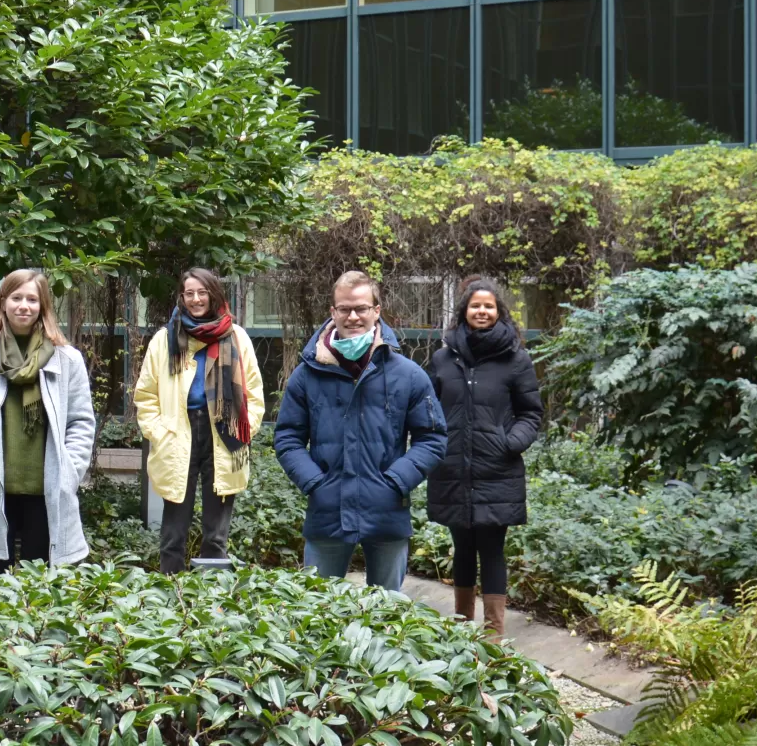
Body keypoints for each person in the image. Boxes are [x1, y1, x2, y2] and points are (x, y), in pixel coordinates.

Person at [274, 271, 446, 591]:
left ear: (376, 311)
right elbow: (287, 437)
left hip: (387, 513)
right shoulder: (306, 375)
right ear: (333, 312)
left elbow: (433, 437)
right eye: (344, 309)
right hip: (327, 512)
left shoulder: (407, 375)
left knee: (386, 614)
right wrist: (315, 483)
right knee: (318, 612)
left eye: (362, 308)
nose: (353, 316)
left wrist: (395, 482)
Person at [0, 269, 95, 567]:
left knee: (38, 584)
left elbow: (80, 422)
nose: (23, 306)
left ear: (43, 306)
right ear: (2, 303)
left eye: (32, 299)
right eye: (16, 298)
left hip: (47, 487)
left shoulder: (66, 358)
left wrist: (70, 473)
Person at [426, 276, 545, 637]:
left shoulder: (516, 359)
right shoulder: (443, 358)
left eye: (488, 306)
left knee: (491, 549)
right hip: (452, 469)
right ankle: (463, 628)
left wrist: (509, 443)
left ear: (498, 312)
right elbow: (427, 409)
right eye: (475, 305)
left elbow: (531, 413)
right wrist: (435, 444)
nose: (482, 311)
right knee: (461, 547)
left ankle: (493, 636)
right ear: (465, 310)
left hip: (498, 471)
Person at [133, 268, 266, 573]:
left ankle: (212, 603)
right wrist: (160, 433)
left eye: (202, 292)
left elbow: (254, 393)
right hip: (178, 433)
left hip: (225, 433)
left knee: (216, 533)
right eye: (189, 293)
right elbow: (145, 395)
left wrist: (244, 430)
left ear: (214, 294)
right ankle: (168, 595)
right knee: (173, 532)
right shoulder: (164, 339)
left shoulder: (237, 337)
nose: (195, 299)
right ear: (182, 297)